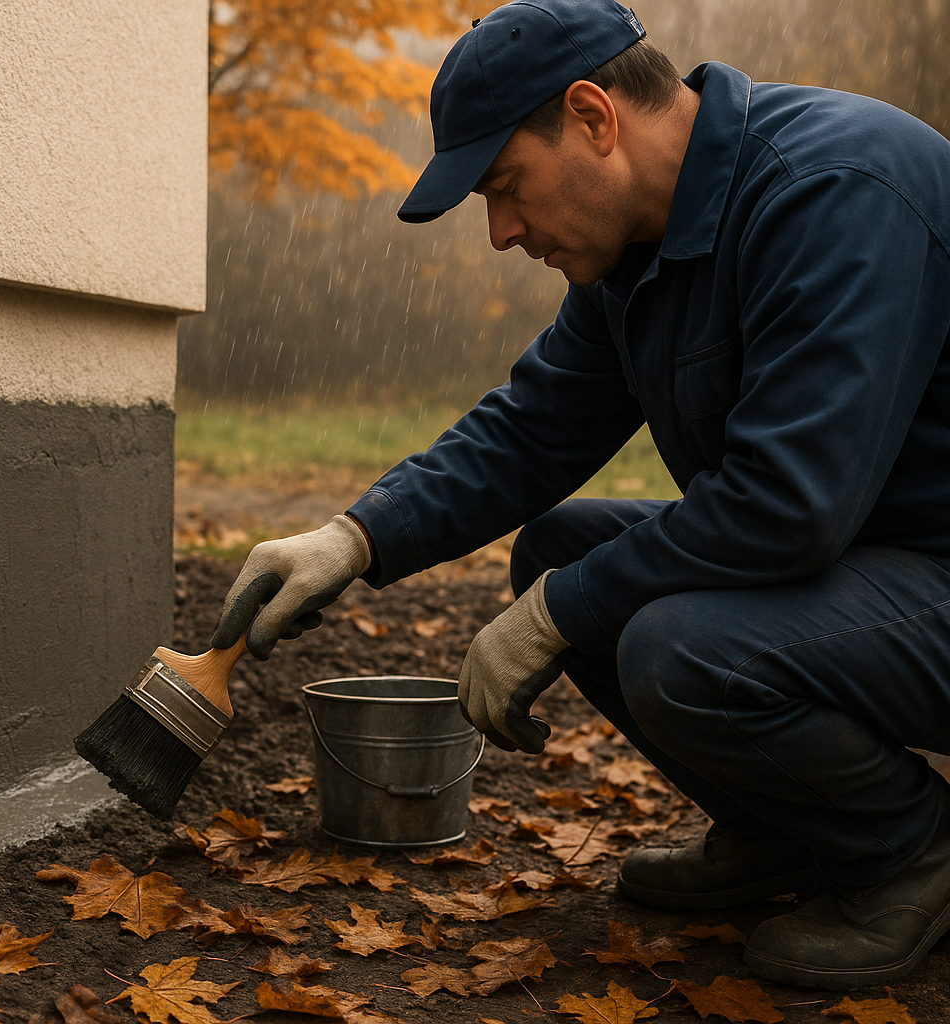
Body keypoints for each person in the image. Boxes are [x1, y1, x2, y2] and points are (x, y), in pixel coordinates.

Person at [209, 0, 950, 990]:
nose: (501, 233)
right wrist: (353, 537)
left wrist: (558, 615)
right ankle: (789, 827)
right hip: (882, 563)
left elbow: (788, 504)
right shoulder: (640, 249)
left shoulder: (830, 186)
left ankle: (915, 851)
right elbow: (532, 426)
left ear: (596, 116)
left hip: (921, 567)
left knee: (674, 644)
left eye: (506, 186)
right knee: (561, 550)